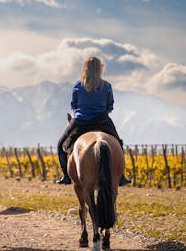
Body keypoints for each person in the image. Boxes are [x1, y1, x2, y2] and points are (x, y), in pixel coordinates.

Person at [56, 57, 131, 186]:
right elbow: (110, 106)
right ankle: (121, 176)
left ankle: (66, 176)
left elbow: (73, 104)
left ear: (85, 68)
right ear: (100, 69)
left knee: (61, 145)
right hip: (102, 120)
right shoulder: (106, 86)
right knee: (118, 143)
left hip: (80, 121)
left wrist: (81, 113)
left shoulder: (78, 85)